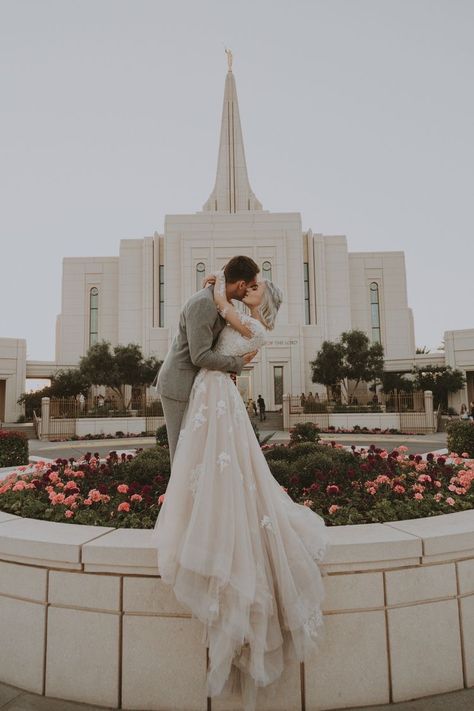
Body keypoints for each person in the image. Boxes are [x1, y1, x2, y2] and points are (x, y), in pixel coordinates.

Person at [151, 268, 329, 711]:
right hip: (208, 392)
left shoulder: (249, 323)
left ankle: (200, 517)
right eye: (250, 282)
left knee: (213, 462)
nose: (253, 286)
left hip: (215, 391)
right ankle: (198, 510)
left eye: (258, 287)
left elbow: (221, 311)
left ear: (260, 301)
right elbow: (214, 312)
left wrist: (217, 286)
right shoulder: (244, 320)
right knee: (205, 462)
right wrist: (214, 288)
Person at [153, 255, 260, 461]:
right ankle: (179, 494)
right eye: (251, 286)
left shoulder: (221, 301)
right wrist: (238, 363)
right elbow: (200, 356)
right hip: (178, 385)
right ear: (241, 284)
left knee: (198, 452)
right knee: (182, 452)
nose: (252, 291)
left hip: (200, 384)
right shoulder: (203, 303)